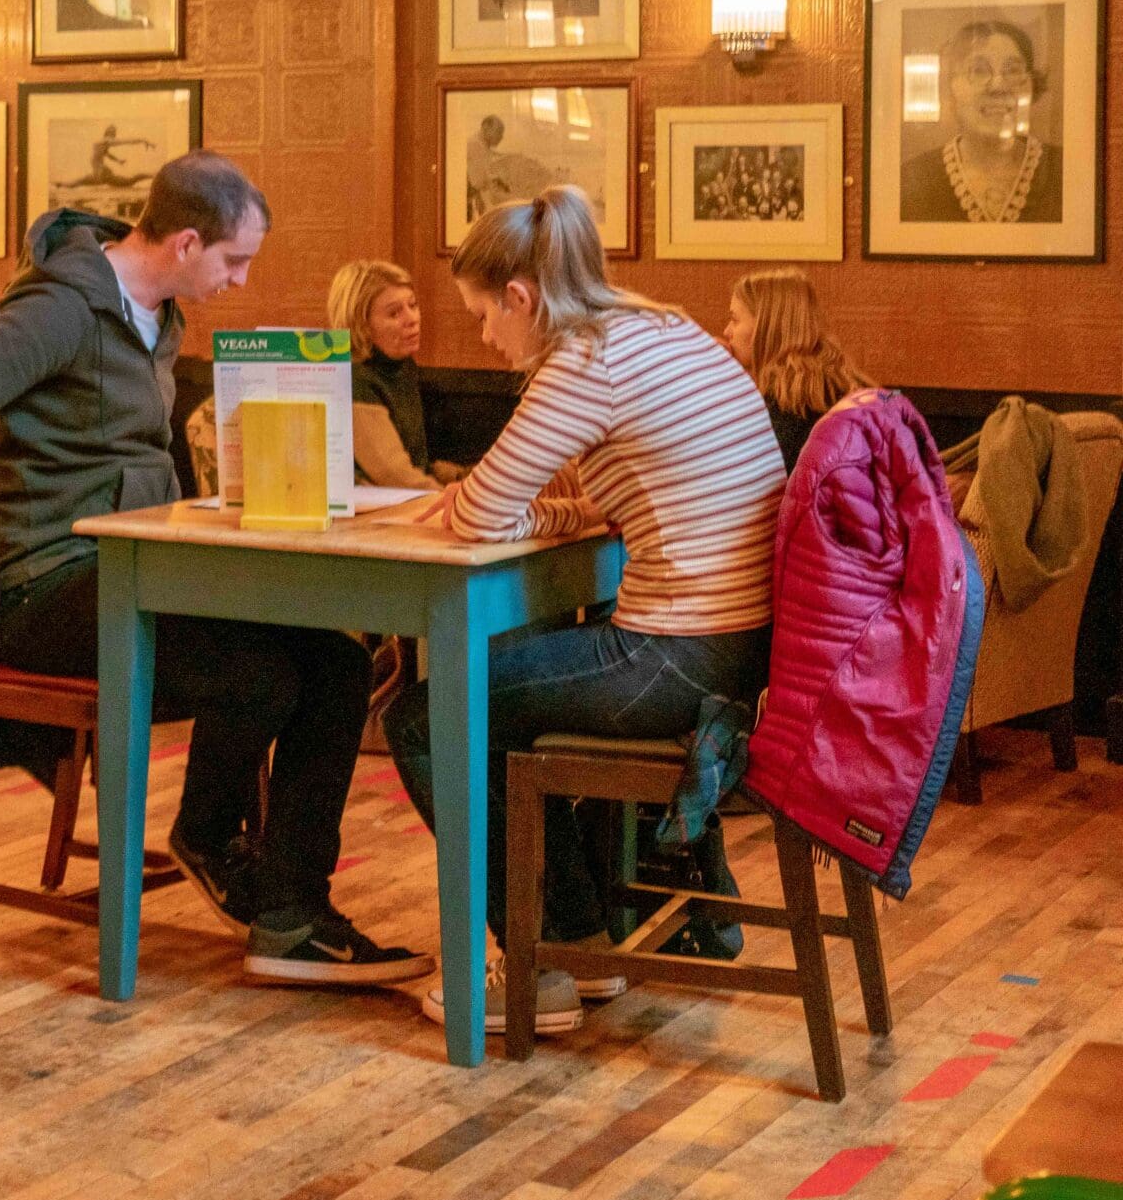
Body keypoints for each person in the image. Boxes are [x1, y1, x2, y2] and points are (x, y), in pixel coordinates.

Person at [0, 151, 428, 987]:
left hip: (127, 571)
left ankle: (293, 912)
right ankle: (215, 840)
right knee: (257, 678)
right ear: (186, 243)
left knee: (334, 659)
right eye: (233, 261)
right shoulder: (62, 307)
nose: (241, 280)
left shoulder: (160, 314)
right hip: (42, 583)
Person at [379, 186, 786, 1039]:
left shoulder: (584, 361)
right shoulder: (661, 327)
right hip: (741, 650)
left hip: (680, 654)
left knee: (427, 718)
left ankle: (547, 957)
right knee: (491, 713)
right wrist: (556, 515)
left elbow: (480, 512)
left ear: (522, 298)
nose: (486, 339)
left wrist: (501, 509)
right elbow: (592, 507)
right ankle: (575, 937)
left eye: (485, 316)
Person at [897, 19, 1064, 225]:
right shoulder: (912, 180)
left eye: (1012, 71)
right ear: (951, 87)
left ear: (1031, 85)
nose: (998, 86)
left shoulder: (1066, 171)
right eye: (978, 70)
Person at [330, 258, 463, 490]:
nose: (412, 319)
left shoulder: (401, 364)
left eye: (413, 305)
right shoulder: (354, 377)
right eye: (394, 314)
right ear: (361, 324)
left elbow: (416, 463)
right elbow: (393, 475)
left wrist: (465, 477)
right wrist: (460, 500)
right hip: (371, 512)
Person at [725, 267, 870, 471]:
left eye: (734, 319)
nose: (727, 331)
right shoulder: (844, 381)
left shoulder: (784, 404)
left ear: (766, 326)